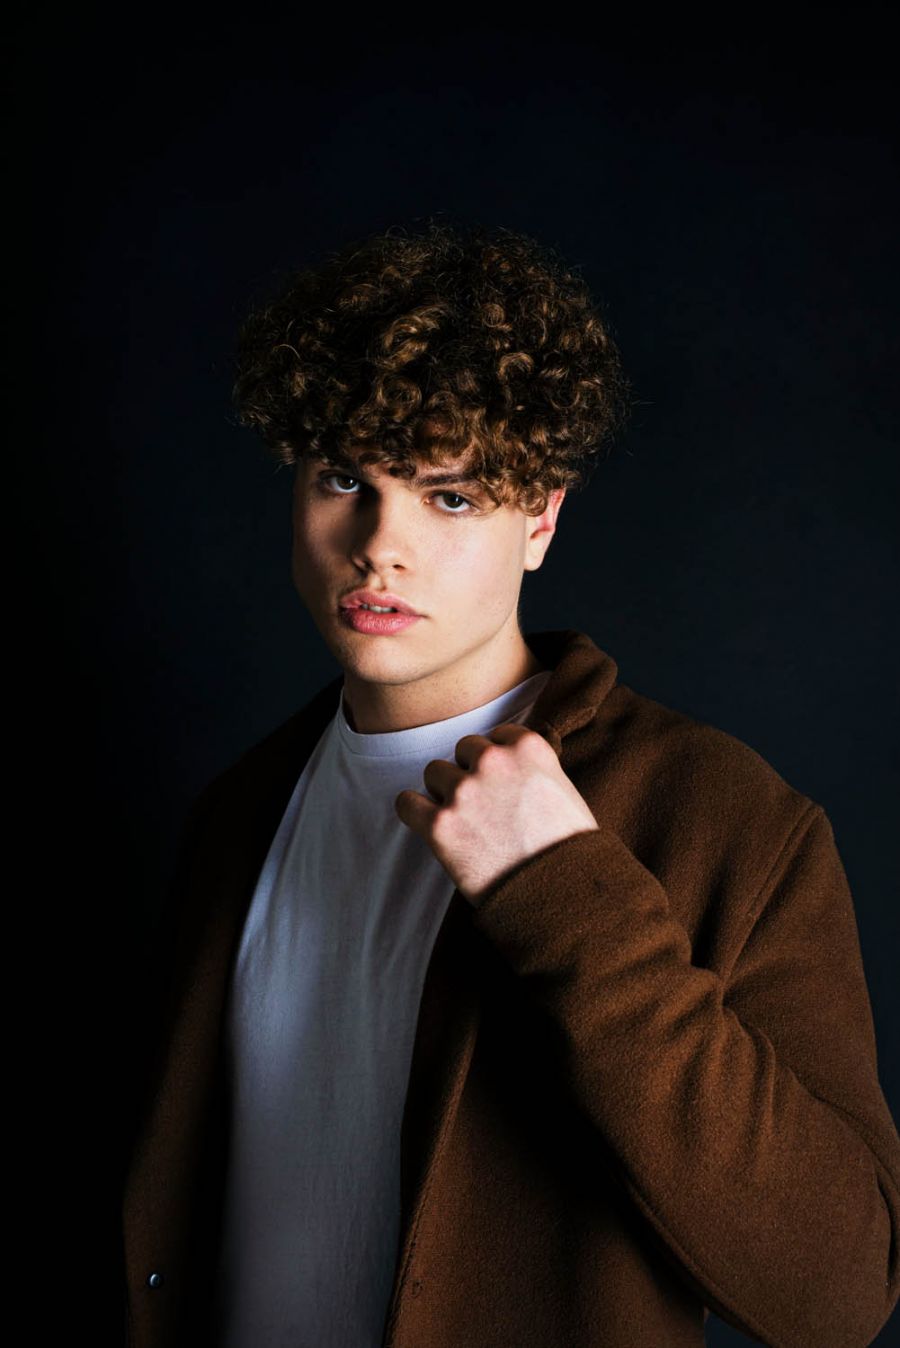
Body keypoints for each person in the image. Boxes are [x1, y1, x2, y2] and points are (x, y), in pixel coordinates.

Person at [121, 220, 900, 1347]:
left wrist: (568, 892)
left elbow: (838, 1295)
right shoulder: (239, 816)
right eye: (343, 478)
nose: (379, 544)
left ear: (541, 518)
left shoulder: (722, 818)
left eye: (448, 496)